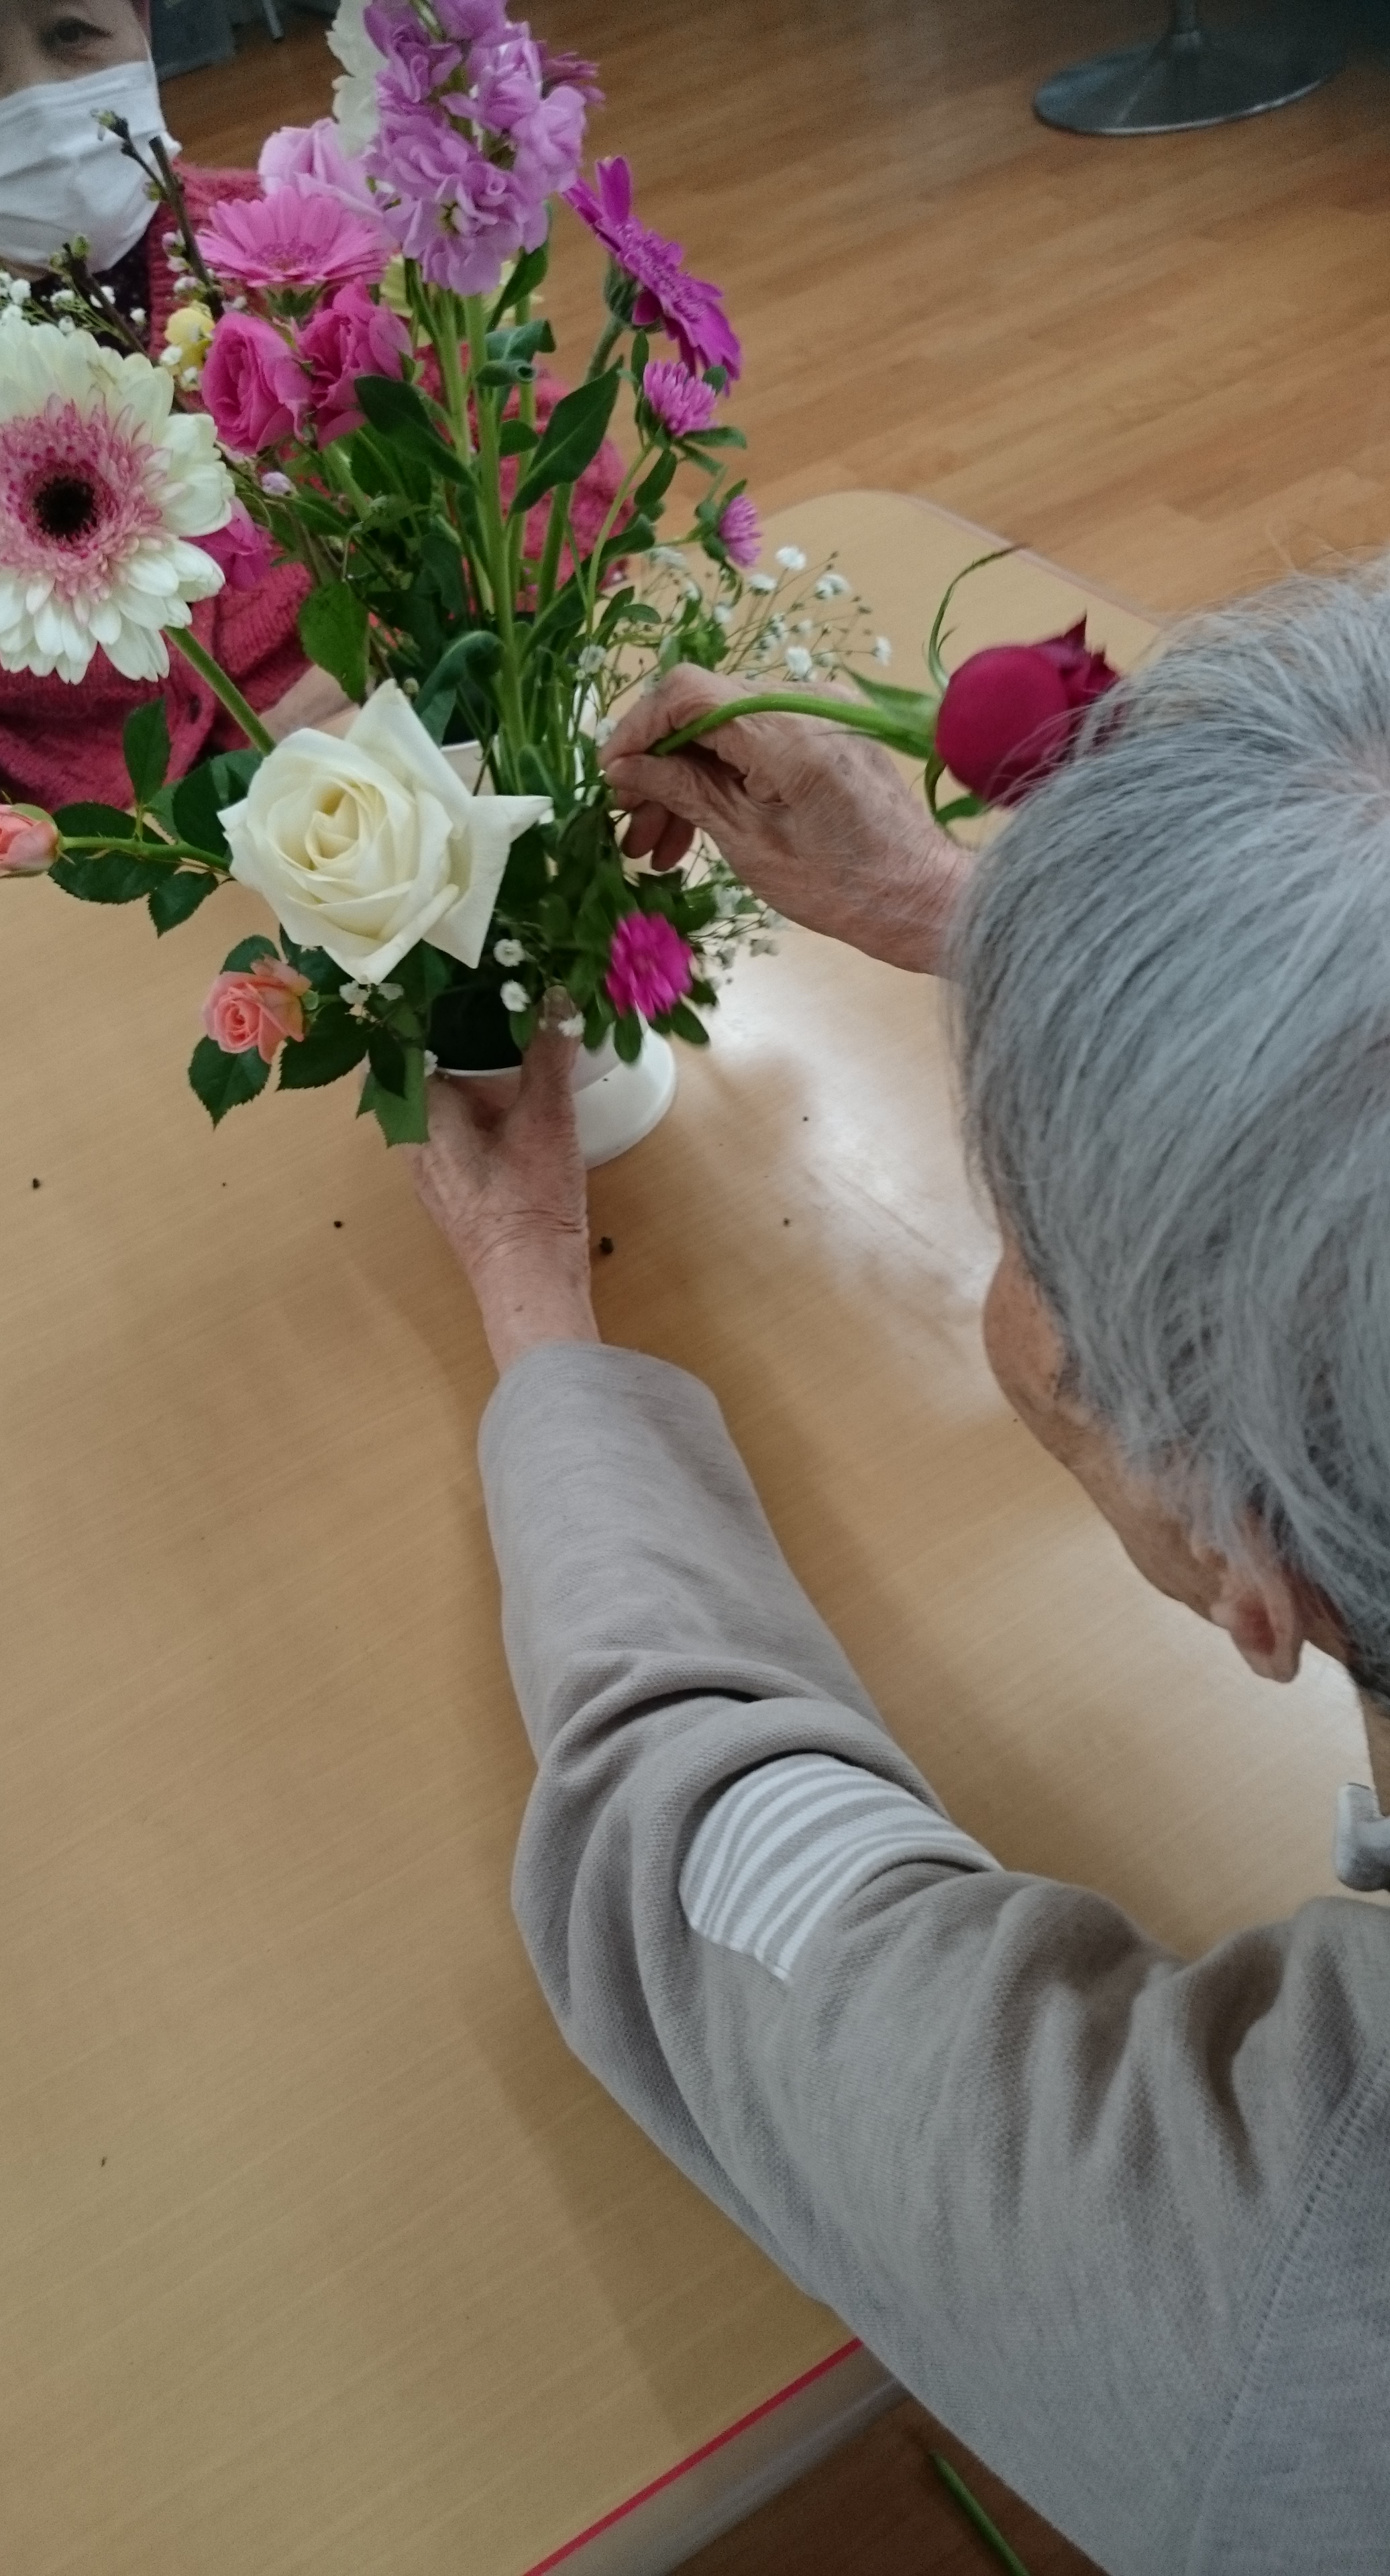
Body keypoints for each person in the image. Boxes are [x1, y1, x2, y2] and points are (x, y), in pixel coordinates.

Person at [405, 570, 1390, 2576]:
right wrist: (1008, 931)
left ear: (1239, 1556)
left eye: (1030, 1226)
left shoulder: (1267, 2297)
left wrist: (528, 1286)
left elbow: (701, 1842)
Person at [0, 0, 322, 883]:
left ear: (142, 29)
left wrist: (380, 677)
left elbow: (539, 494)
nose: (33, 99)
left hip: (356, 764)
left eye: (70, 33)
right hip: (83, 858)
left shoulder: (292, 247)